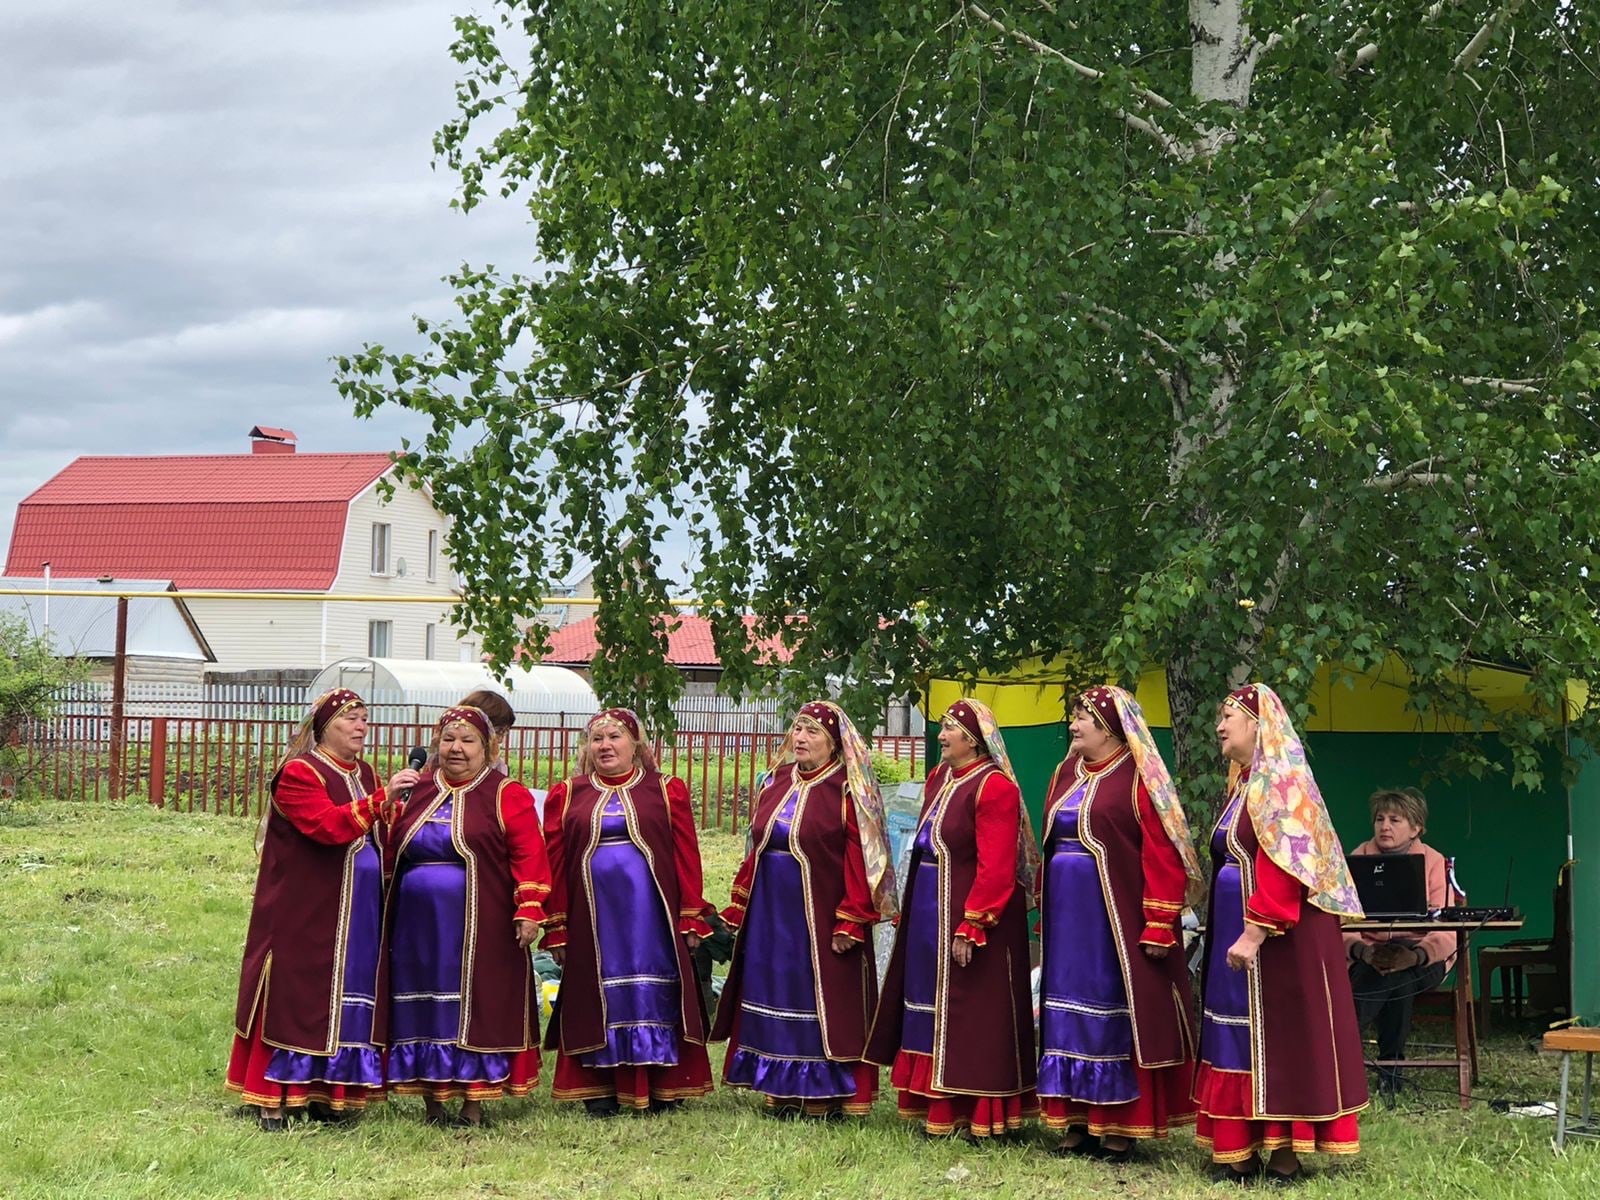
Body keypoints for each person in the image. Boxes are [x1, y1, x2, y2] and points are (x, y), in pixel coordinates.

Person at [1195, 683, 1369, 1183]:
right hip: (1245, 932)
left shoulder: (1281, 783)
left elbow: (1285, 864)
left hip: (1279, 938)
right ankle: (1239, 1146)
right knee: (1239, 1034)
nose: (1219, 725)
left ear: (1257, 723)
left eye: (1229, 715)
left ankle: (1284, 1154)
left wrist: (1255, 930)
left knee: (1277, 1038)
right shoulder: (1245, 784)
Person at [225, 688, 421, 1130]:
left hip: (359, 911)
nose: (360, 727)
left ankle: (330, 1095)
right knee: (297, 996)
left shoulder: (366, 772)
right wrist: (380, 800)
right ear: (323, 727)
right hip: (307, 908)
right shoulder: (299, 773)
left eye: (365, 719)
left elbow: (375, 832)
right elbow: (325, 826)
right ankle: (272, 1098)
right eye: (350, 720)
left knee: (348, 993)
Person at [1037, 685, 1204, 1160]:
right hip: (1068, 919)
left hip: (1113, 922)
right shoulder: (1065, 772)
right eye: (1074, 715)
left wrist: (1158, 921)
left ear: (1110, 727)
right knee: (1064, 1011)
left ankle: (1118, 1126)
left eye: (1082, 717)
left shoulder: (1138, 777)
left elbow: (1163, 853)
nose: (1073, 724)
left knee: (1111, 1011)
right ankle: (1075, 1119)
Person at [865, 698, 1040, 1139]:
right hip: (928, 910)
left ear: (974, 739)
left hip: (968, 915)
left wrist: (974, 923)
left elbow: (997, 865)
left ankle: (971, 1111)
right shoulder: (941, 777)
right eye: (941, 728)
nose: (940, 736)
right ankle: (930, 1103)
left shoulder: (994, 787)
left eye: (949, 730)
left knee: (967, 1008)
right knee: (927, 998)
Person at [712, 701, 895, 1119]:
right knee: (775, 991)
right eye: (797, 729)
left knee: (820, 1000)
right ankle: (780, 1089)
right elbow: (754, 850)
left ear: (833, 743)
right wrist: (739, 904)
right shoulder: (775, 782)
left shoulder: (849, 791)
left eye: (812, 732)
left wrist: (852, 917)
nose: (800, 738)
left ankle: (823, 1095)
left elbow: (864, 860)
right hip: (772, 914)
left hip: (821, 916)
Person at [542, 707, 716, 1115]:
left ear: (635, 743)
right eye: (597, 739)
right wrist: (557, 925)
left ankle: (659, 1085)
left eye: (614, 737)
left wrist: (691, 911)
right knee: (595, 993)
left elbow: (686, 855)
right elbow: (554, 862)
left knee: (650, 993)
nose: (605, 746)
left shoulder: (666, 789)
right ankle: (599, 1086)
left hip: (650, 918)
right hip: (593, 917)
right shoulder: (567, 794)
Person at [383, 705, 550, 1126]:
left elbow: (530, 854)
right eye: (448, 740)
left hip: (481, 925)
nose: (456, 748)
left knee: (476, 1006)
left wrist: (529, 909)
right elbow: (388, 848)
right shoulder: (417, 789)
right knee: (422, 1005)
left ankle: (472, 1103)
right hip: (416, 927)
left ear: (487, 747)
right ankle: (431, 1099)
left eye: (467, 741)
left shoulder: (505, 793)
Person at [1344, 788, 1452, 1090]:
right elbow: (1342, 921)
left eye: (1395, 820)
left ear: (1416, 827)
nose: (1385, 826)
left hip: (1424, 958)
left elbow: (1446, 928)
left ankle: (1341, 1054)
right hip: (1368, 956)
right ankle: (1391, 1071)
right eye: (1380, 819)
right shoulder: (1357, 859)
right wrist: (1363, 952)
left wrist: (1416, 955)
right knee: (1389, 974)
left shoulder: (1433, 861)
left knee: (1398, 968)